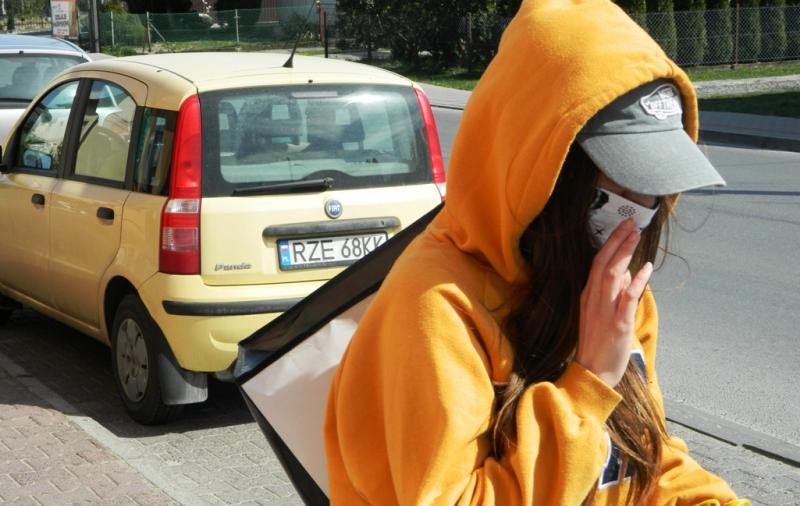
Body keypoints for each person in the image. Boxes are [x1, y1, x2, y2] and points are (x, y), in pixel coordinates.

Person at [324, 0, 750, 504]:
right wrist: (589, 381)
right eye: (625, 181)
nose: (642, 210)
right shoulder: (433, 303)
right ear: (545, 169)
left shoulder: (608, 291)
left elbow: (640, 460)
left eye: (656, 187)